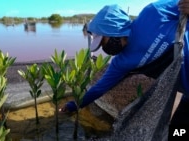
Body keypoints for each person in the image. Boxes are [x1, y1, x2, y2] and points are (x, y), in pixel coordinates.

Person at [60, 0, 189, 125]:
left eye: (103, 42)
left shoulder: (153, 13)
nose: (105, 48)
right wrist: (73, 105)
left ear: (113, 29)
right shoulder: (121, 63)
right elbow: (98, 89)